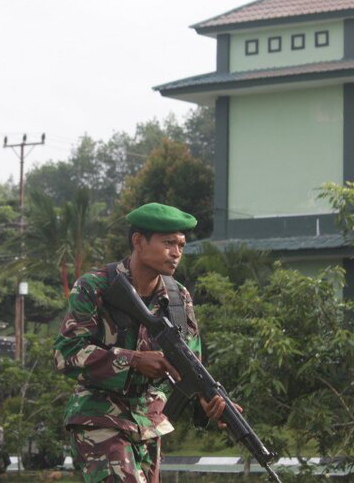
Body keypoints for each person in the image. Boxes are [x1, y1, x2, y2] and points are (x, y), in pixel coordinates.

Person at [53, 203, 228, 483]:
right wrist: (133, 360)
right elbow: (66, 353)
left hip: (149, 426)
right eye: (168, 243)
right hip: (99, 419)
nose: (176, 253)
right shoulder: (95, 287)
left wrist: (206, 401)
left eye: (181, 245)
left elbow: (190, 365)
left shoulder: (179, 297)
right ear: (138, 241)